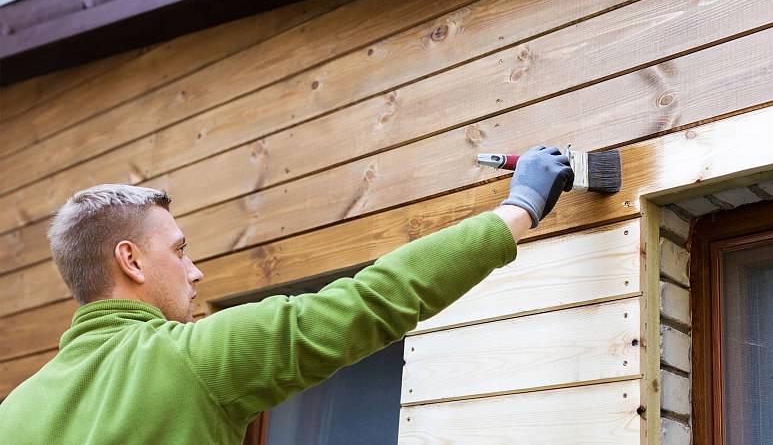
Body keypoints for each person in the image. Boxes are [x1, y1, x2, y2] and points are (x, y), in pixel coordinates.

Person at [0, 146, 573, 444]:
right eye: (179, 251)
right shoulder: (195, 358)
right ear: (130, 260)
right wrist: (520, 207)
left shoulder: (15, 413)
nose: (195, 273)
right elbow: (372, 300)